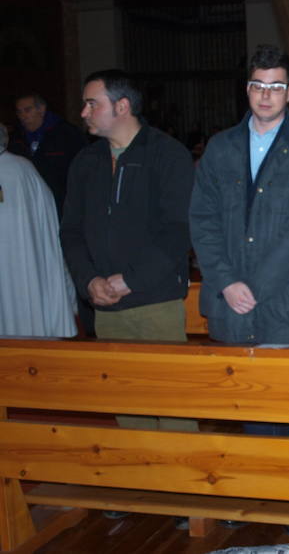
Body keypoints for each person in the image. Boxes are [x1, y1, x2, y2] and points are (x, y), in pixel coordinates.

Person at [61, 69, 195, 432]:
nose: (84, 112)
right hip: (105, 304)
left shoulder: (167, 155)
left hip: (155, 303)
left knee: (171, 406)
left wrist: (129, 280)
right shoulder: (85, 163)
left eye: (92, 103)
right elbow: (71, 231)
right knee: (127, 406)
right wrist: (88, 280)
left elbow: (177, 231)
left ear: (122, 106)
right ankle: (141, 483)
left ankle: (185, 484)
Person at [191, 44, 289, 346]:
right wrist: (227, 282)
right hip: (229, 306)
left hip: (285, 306)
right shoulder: (220, 148)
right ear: (248, 89)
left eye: (276, 87)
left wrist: (255, 287)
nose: (266, 96)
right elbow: (203, 220)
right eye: (258, 86)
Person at [0, 124, 77, 337]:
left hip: (23, 266)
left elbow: (47, 223)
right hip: (25, 270)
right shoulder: (24, 169)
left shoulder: (22, 169)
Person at [8, 93, 86, 217]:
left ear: (42, 109)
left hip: (62, 202)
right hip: (28, 203)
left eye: (27, 110)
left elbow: (83, 169)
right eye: (19, 112)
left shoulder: (66, 134)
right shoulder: (16, 138)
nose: (23, 116)